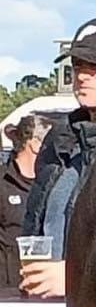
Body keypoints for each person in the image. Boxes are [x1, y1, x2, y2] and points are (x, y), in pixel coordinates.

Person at [21, 16, 96, 300]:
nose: (83, 75)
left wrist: (77, 278)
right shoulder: (59, 140)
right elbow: (36, 227)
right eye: (77, 65)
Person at [2, 113, 49, 292]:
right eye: (50, 144)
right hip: (7, 293)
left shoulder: (53, 184)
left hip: (46, 289)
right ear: (34, 144)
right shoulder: (3, 182)